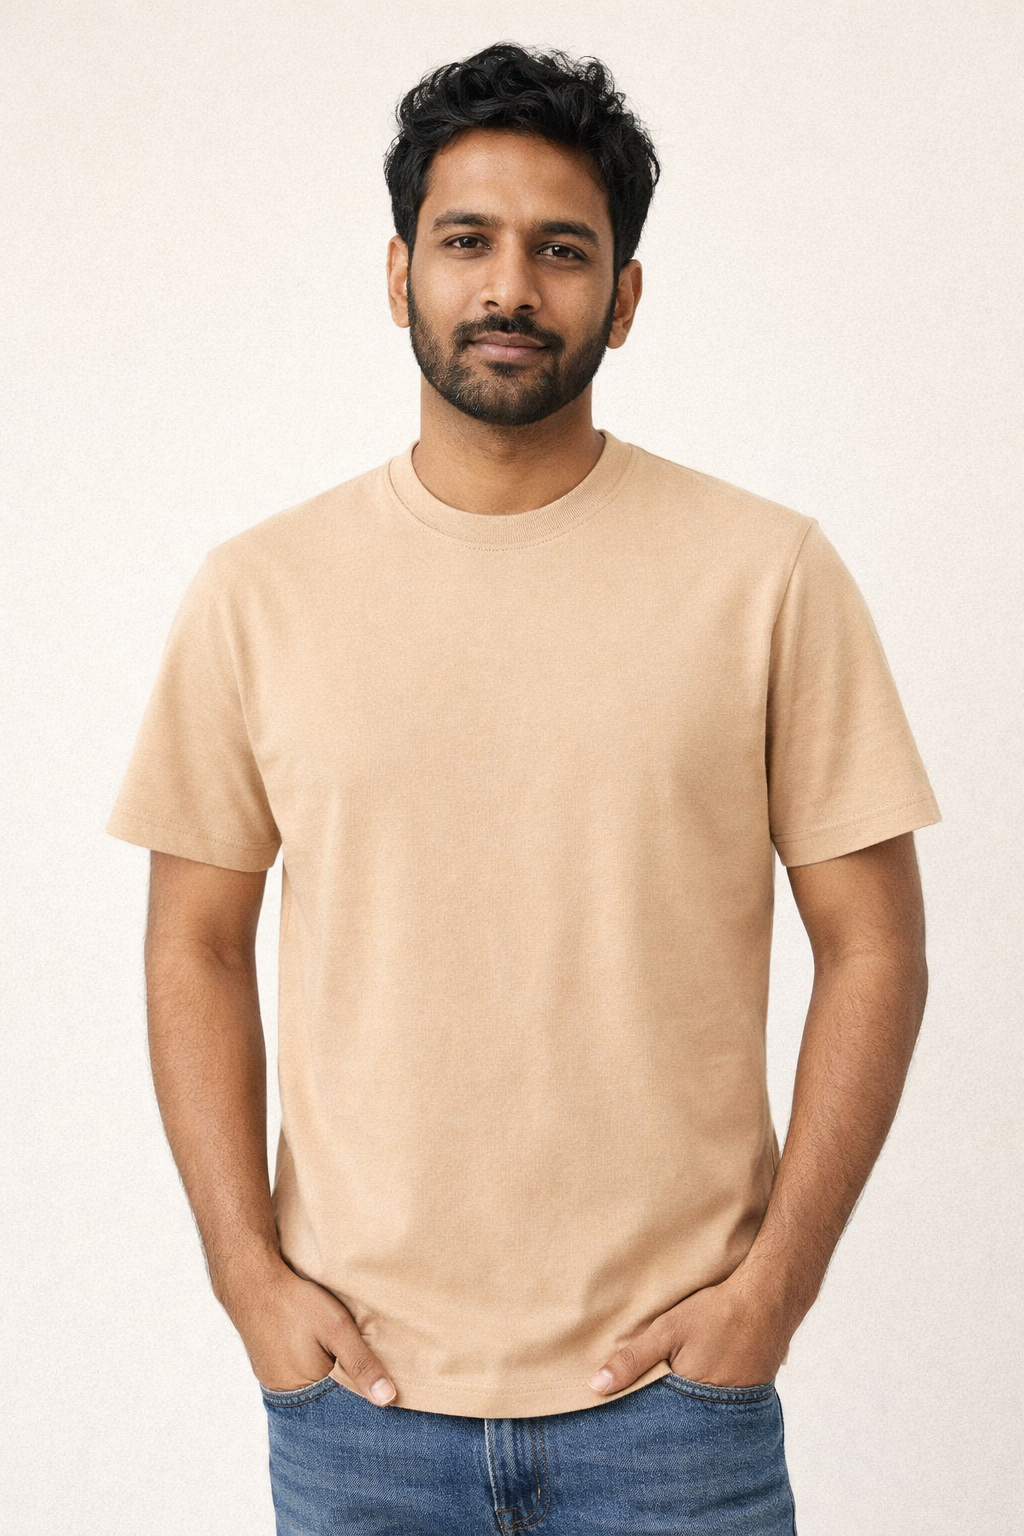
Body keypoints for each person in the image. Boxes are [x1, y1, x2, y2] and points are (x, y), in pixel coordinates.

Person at [105, 41, 942, 1536]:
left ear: (624, 295)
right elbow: (195, 945)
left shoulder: (766, 575)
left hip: (676, 1413)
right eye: (466, 241)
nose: (510, 288)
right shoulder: (259, 593)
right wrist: (246, 1280)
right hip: (359, 1409)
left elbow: (874, 943)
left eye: (562, 249)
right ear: (399, 274)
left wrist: (775, 1292)